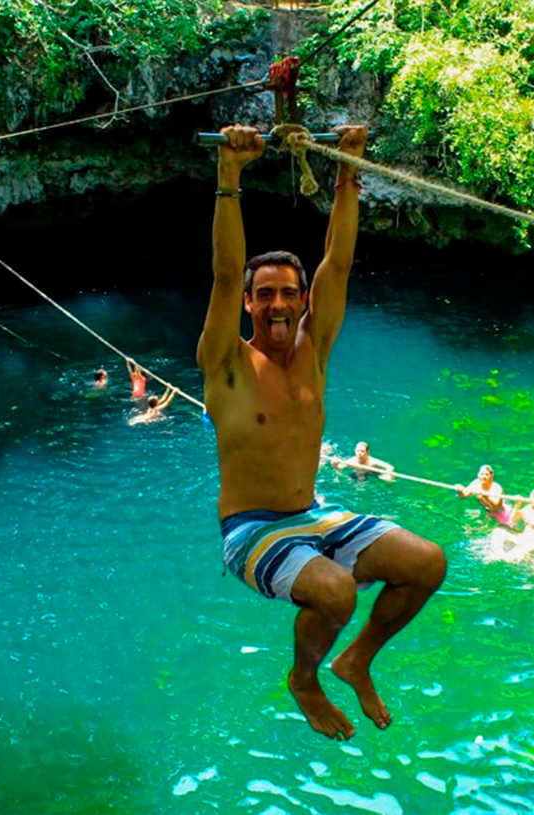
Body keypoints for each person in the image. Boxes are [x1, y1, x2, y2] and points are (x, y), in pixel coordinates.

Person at [197, 123, 446, 741]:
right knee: (335, 593)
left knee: (426, 563)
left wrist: (347, 167)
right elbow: (225, 274)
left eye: (288, 293)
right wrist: (230, 175)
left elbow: (339, 263)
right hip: (250, 530)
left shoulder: (315, 351)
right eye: (264, 296)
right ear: (249, 305)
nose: (277, 304)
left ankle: (357, 658)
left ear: (301, 299)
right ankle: (305, 679)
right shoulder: (226, 362)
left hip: (314, 514)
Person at [487, 487, 534, 562]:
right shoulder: (529, 508)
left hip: (533, 542)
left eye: (531, 498)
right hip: (522, 537)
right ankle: (496, 554)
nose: (529, 500)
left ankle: (531, 560)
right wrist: (518, 504)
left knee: (508, 559)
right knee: (498, 530)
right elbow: (514, 519)